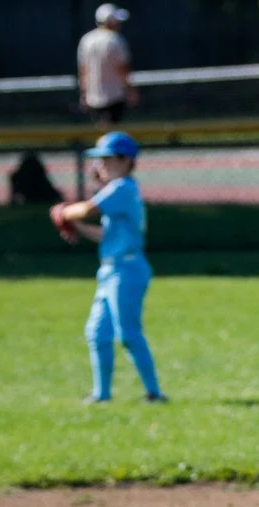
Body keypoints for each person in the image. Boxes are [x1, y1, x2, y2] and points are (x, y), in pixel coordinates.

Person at [56, 131, 166, 404]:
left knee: (128, 333)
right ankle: (101, 394)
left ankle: (154, 393)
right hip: (110, 270)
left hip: (127, 270)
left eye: (106, 160)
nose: (99, 166)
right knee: (97, 332)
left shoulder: (122, 188)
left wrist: (61, 213)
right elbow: (106, 235)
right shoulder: (115, 191)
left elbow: (84, 210)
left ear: (125, 161)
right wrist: (78, 229)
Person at [77, 4, 137, 124]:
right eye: (116, 21)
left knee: (101, 133)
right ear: (110, 21)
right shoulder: (116, 40)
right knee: (113, 132)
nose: (119, 24)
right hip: (114, 96)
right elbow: (122, 69)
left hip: (92, 97)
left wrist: (84, 94)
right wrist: (131, 91)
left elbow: (83, 71)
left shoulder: (86, 40)